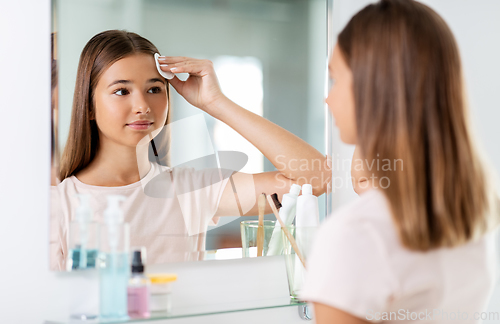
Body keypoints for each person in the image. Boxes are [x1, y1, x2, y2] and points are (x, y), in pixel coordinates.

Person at [50, 30, 330, 270]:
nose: (143, 106)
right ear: (88, 105)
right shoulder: (57, 206)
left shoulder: (191, 190)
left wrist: (216, 103)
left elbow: (317, 179)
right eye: (122, 91)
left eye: (155, 89)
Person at [300, 0, 499, 323]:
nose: (328, 98)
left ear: (373, 89)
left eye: (335, 79)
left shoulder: (354, 235)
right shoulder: (471, 214)